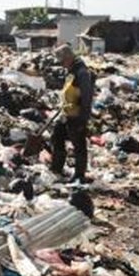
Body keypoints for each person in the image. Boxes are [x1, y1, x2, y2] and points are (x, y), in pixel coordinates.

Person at [50, 45, 94, 183]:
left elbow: (87, 97)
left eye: (62, 61)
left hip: (77, 115)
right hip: (66, 112)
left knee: (79, 145)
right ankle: (57, 169)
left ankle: (79, 175)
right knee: (57, 137)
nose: (61, 64)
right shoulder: (71, 71)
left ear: (69, 58)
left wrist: (83, 119)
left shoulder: (82, 72)